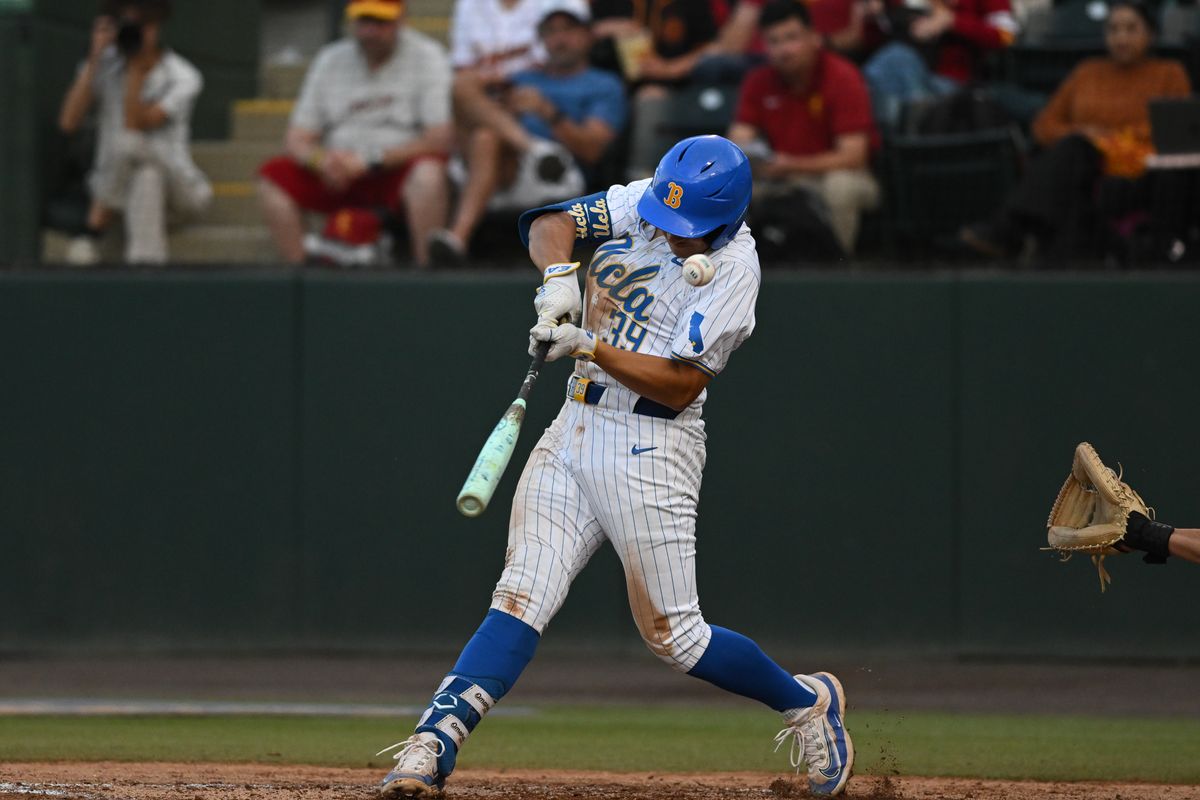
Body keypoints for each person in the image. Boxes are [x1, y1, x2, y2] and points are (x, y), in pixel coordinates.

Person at [372, 135, 853, 799]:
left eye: (688, 227)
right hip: (573, 426)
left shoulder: (737, 270)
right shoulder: (643, 204)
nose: (671, 230)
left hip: (652, 448)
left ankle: (807, 703)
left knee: (676, 638)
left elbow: (680, 384)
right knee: (520, 594)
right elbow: (550, 224)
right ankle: (432, 743)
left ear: (728, 217)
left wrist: (589, 344)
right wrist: (558, 281)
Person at [959, 0, 1191, 259]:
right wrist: (1084, 133)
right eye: (1113, 29)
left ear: (1151, 34)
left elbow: (1176, 127)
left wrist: (1112, 139)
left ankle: (1009, 231)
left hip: (1140, 169)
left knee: (1073, 153)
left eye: (1131, 28)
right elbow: (1044, 125)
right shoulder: (1087, 72)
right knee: (1073, 148)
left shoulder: (1169, 73)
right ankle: (1024, 239)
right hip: (1088, 165)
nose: (1121, 37)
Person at [427, 0, 626, 265]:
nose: (560, 39)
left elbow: (593, 150)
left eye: (569, 29)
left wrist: (548, 112)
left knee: (487, 137)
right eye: (551, 32)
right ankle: (457, 239)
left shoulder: (604, 84)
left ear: (588, 35)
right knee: (475, 111)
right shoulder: (524, 78)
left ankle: (460, 233)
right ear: (541, 40)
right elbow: (480, 113)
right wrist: (508, 109)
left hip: (561, 172)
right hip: (510, 167)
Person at [257, 0, 453, 267]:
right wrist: (320, 160)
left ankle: (427, 272)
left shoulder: (428, 55)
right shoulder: (330, 59)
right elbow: (296, 138)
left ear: (401, 19)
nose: (371, 31)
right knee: (272, 177)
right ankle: (301, 275)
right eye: (364, 21)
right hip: (337, 173)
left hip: (393, 172)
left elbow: (439, 138)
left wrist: (370, 160)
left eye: (380, 22)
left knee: (429, 174)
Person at [58, 0, 212, 265]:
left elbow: (135, 126)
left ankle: (94, 225)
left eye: (144, 24)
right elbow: (68, 123)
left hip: (180, 190)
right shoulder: (103, 65)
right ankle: (146, 277)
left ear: (158, 26)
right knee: (147, 177)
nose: (138, 32)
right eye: (129, 25)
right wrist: (94, 58)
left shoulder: (184, 75)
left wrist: (136, 71)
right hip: (127, 190)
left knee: (131, 145)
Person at [729, 0, 881, 257]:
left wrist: (791, 164)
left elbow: (854, 156)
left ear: (814, 38)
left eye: (791, 38)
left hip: (839, 174)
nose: (784, 50)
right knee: (731, 187)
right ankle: (739, 271)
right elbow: (738, 140)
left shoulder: (842, 76)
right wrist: (755, 158)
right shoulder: (759, 81)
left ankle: (836, 269)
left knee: (840, 187)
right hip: (780, 174)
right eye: (774, 41)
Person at [860, 0, 1019, 130]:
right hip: (900, 79)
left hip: (955, 85)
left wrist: (952, 21)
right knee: (892, 61)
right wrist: (876, 17)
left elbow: (1007, 37)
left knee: (896, 57)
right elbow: (869, 44)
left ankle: (909, 134)